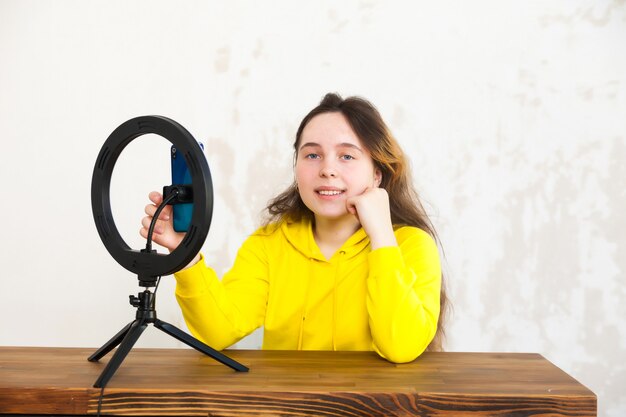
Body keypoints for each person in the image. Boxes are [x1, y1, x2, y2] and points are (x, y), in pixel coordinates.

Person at [141, 93, 448, 363]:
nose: (327, 169)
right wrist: (186, 254)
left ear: (377, 175)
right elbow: (218, 331)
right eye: (312, 155)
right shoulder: (269, 245)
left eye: (347, 156)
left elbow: (402, 347)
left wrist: (382, 237)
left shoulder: (411, 246)